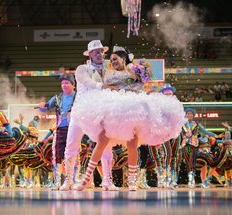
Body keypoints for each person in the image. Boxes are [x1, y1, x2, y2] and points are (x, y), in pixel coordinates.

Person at [71, 46, 186, 191]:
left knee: (132, 145)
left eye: (115, 59)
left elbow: (144, 82)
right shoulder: (108, 74)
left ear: (124, 59)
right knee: (101, 142)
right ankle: (85, 179)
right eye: (111, 60)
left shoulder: (135, 72)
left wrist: (139, 72)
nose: (112, 62)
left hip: (133, 112)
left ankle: (132, 180)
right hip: (113, 111)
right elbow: (106, 87)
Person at [59, 40, 119, 191]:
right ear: (90, 54)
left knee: (105, 146)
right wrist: (103, 86)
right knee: (71, 145)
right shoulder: (82, 69)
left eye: (101, 51)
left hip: (99, 113)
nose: (100, 54)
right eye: (96, 52)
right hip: (80, 112)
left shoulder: (109, 69)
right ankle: (68, 180)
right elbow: (88, 82)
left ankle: (107, 180)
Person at [38, 74, 76, 190]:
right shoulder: (57, 98)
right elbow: (45, 108)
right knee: (57, 155)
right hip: (60, 129)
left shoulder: (79, 96)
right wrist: (41, 106)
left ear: (73, 85)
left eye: (67, 83)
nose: (64, 85)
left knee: (73, 155)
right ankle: (57, 181)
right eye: (62, 83)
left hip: (74, 129)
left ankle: (71, 181)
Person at [180, 107, 219, 188]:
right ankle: (190, 175)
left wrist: (216, 135)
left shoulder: (197, 124)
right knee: (187, 161)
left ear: (193, 115)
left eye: (191, 113)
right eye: (188, 113)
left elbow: (205, 132)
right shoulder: (181, 124)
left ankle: (192, 177)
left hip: (194, 144)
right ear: (185, 115)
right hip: (184, 144)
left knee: (192, 158)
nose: (189, 115)